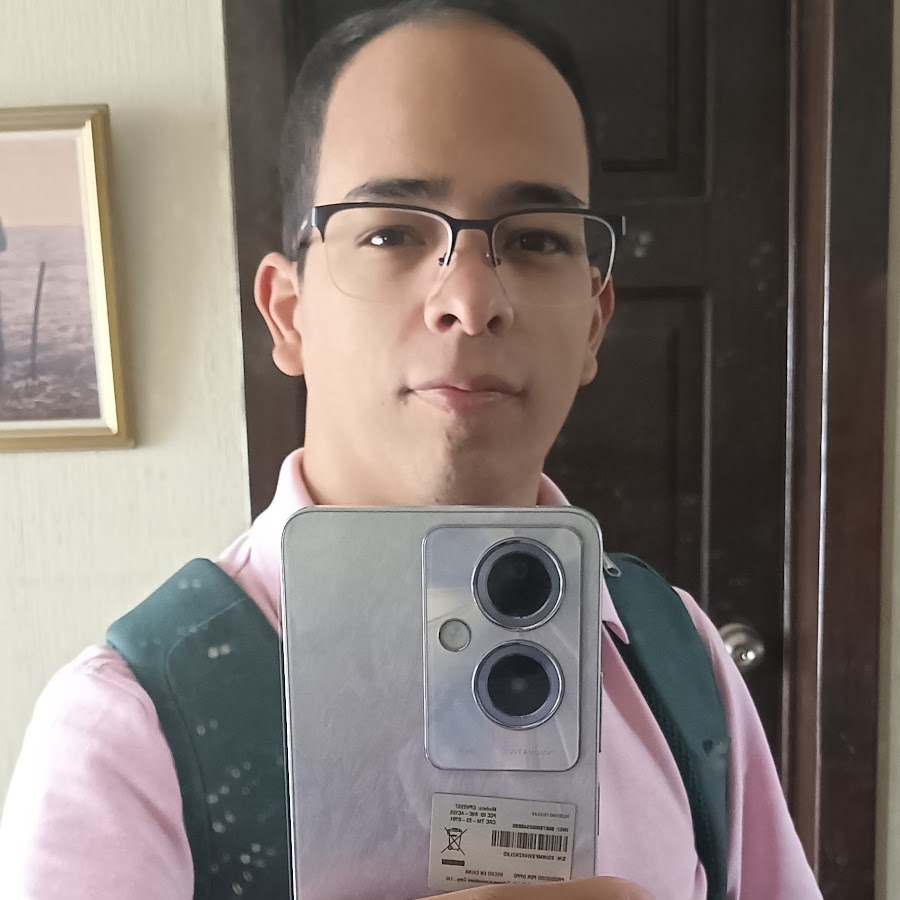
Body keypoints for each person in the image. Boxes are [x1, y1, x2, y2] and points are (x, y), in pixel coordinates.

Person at [0, 2, 822, 898]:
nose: (470, 299)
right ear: (288, 313)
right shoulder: (131, 731)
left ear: (594, 321)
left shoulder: (679, 658)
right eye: (391, 231)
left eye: (536, 239)